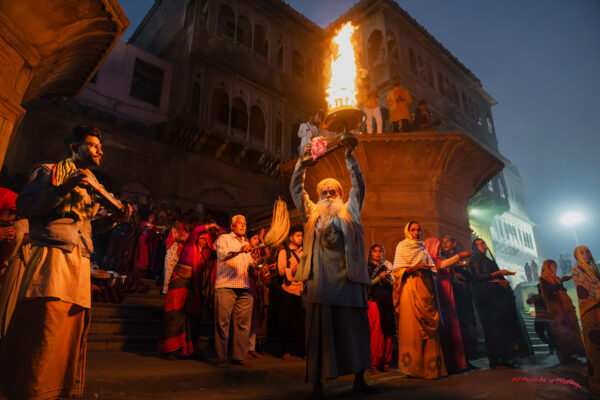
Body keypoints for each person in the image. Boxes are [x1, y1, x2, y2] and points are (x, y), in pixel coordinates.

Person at [0, 125, 131, 400]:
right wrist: (63, 188)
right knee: (44, 328)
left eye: (100, 147)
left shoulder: (95, 185)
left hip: (80, 262)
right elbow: (25, 207)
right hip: (50, 259)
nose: (100, 151)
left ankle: (57, 392)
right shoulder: (48, 172)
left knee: (68, 334)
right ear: (75, 148)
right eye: (94, 145)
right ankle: (29, 391)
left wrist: (113, 219)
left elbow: (87, 227)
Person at [290, 142, 374, 398]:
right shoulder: (311, 212)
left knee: (355, 332)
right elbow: (296, 189)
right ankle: (317, 384)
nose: (328, 193)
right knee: (319, 336)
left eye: (333, 190)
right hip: (321, 284)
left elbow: (359, 185)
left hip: (349, 281)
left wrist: (350, 158)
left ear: (340, 193)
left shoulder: (351, 211)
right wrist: (301, 165)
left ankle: (359, 380)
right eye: (324, 190)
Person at [393, 222, 446, 379]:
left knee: (430, 328)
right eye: (413, 230)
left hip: (425, 288)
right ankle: (413, 368)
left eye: (418, 230)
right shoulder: (402, 246)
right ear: (407, 231)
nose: (416, 232)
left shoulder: (423, 248)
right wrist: (415, 268)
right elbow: (396, 271)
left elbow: (432, 268)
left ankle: (431, 368)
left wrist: (428, 270)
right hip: (409, 287)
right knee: (412, 327)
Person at [469, 238, 533, 368]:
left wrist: (504, 281)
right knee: (495, 330)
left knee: (505, 327)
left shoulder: (488, 260)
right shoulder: (475, 261)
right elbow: (478, 278)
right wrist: (497, 274)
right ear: (474, 247)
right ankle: (499, 358)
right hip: (489, 301)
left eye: (483, 243)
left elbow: (494, 277)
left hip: (499, 298)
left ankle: (508, 356)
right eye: (479, 244)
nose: (482, 245)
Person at [158, 222, 217, 359]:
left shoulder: (207, 253)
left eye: (205, 239)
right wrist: (210, 225)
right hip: (179, 282)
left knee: (194, 317)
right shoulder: (189, 246)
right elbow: (196, 230)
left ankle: (191, 350)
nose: (203, 241)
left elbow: (222, 255)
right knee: (174, 315)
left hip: (193, 287)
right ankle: (168, 350)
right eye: (201, 238)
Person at [214, 215, 258, 367]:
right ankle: (221, 358)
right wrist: (240, 249)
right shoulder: (224, 238)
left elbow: (249, 263)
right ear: (232, 226)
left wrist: (257, 265)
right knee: (222, 324)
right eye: (240, 223)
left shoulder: (246, 242)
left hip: (244, 286)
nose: (243, 225)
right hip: (226, 285)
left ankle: (238, 356)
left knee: (243, 324)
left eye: (245, 223)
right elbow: (222, 255)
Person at [423, 237, 471, 373]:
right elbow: (443, 265)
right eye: (437, 247)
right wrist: (459, 256)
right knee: (447, 327)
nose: (439, 249)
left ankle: (455, 362)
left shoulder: (438, 259)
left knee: (452, 327)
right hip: (441, 295)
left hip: (448, 295)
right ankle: (448, 362)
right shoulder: (431, 260)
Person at [442, 236, 479, 365]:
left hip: (464, 293)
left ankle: (468, 356)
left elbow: (470, 275)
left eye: (447, 241)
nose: (444, 244)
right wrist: (453, 266)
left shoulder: (462, 257)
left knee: (467, 323)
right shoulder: (442, 256)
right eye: (443, 242)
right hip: (451, 293)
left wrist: (463, 267)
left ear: (454, 243)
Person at [539, 259, 585, 362]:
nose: (555, 268)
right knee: (562, 331)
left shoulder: (557, 278)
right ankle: (566, 354)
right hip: (557, 309)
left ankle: (576, 350)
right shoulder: (543, 279)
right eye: (553, 266)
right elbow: (547, 292)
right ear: (547, 267)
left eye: (556, 266)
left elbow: (562, 290)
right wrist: (558, 285)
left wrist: (560, 284)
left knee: (571, 328)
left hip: (565, 307)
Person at [572, 246, 600, 395]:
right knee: (594, 349)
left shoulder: (593, 271)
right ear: (576, 256)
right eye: (582, 252)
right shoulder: (577, 270)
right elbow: (587, 289)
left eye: (587, 251)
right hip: (590, 313)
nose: (586, 254)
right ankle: (596, 384)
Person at [278, 225, 305, 360]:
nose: (300, 238)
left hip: (302, 290)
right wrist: (293, 269)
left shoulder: (305, 252)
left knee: (302, 322)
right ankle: (285, 351)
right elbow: (281, 271)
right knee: (287, 322)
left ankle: (301, 350)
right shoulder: (284, 252)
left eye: (301, 236)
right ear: (291, 237)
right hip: (289, 290)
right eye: (298, 236)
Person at [366, 244, 394, 374]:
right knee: (376, 333)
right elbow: (366, 285)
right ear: (371, 253)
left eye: (380, 251)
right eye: (375, 251)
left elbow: (392, 286)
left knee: (388, 330)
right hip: (375, 303)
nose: (378, 254)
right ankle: (373, 364)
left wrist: (389, 281)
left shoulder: (386, 268)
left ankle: (385, 363)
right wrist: (379, 278)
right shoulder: (366, 267)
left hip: (387, 301)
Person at [526, 284, 556, 355]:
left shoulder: (547, 296)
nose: (539, 289)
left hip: (546, 319)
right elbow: (528, 301)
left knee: (550, 335)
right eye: (539, 288)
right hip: (539, 320)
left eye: (540, 287)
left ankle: (551, 349)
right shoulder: (539, 296)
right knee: (541, 335)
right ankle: (552, 346)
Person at [162, 220, 190, 294]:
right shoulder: (171, 233)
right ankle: (165, 290)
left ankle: (173, 291)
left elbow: (187, 244)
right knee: (168, 272)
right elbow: (167, 243)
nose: (177, 225)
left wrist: (181, 241)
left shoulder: (186, 235)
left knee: (176, 274)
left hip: (179, 256)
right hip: (171, 254)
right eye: (175, 223)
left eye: (178, 223)